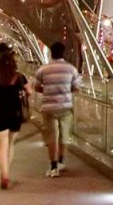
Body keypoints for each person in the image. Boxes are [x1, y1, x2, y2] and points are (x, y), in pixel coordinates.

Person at [0, 49, 31, 189]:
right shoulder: (20, 77)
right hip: (15, 114)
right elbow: (30, 91)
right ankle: (6, 172)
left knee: (1, 146)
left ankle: (5, 175)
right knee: (10, 144)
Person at [32, 41, 81, 178]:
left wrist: (46, 90)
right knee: (64, 135)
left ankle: (53, 166)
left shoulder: (43, 69)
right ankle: (61, 161)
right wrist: (65, 91)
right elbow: (76, 87)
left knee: (52, 137)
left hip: (48, 107)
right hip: (65, 106)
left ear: (51, 53)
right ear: (63, 53)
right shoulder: (71, 69)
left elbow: (36, 86)